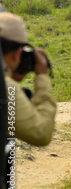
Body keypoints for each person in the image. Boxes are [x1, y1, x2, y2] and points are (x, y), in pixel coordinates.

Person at [0, 12, 56, 146]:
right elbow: (41, 134)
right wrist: (42, 77)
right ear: (17, 53)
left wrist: (7, 75)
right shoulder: (8, 90)